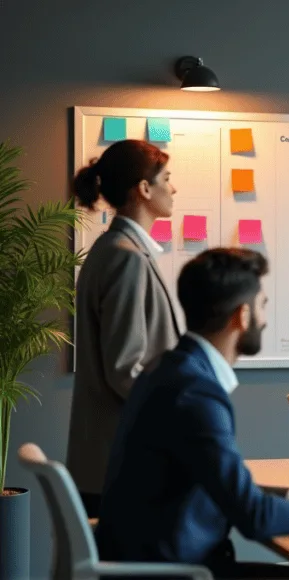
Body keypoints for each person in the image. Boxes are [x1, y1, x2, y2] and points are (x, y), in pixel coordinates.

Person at [95, 248, 289, 578]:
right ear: (242, 316)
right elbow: (253, 518)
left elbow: (224, 485)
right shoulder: (195, 393)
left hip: (154, 557)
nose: (265, 318)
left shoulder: (168, 371)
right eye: (263, 306)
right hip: (177, 570)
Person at [66, 139, 184, 517]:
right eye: (167, 178)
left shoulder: (114, 248)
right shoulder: (125, 257)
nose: (174, 187)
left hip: (111, 459)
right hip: (126, 461)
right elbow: (125, 369)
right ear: (145, 189)